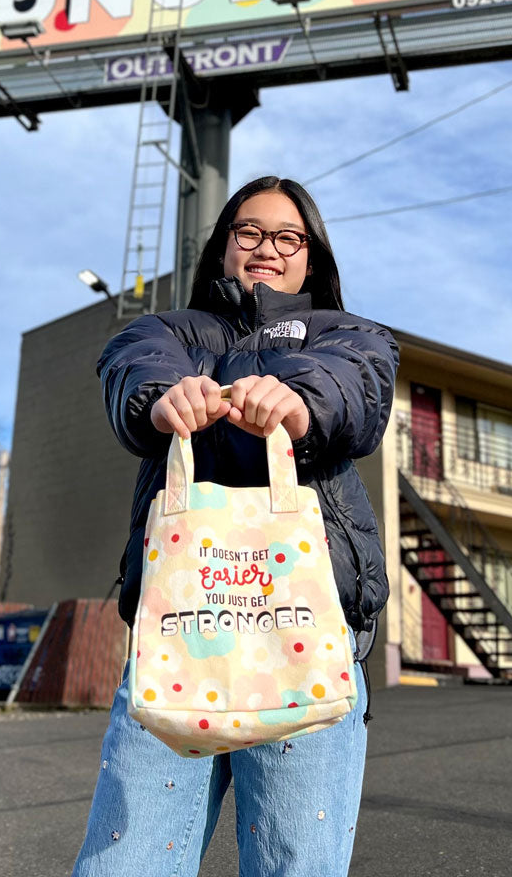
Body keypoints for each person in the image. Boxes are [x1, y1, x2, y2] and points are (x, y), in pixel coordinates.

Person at [71, 175, 398, 877]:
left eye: (288, 237)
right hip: (178, 634)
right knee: (123, 862)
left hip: (306, 630)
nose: (267, 249)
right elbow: (133, 366)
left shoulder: (349, 335)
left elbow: (355, 388)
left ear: (312, 256)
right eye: (248, 232)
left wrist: (298, 401)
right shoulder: (169, 331)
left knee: (296, 864)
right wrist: (166, 398)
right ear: (222, 246)